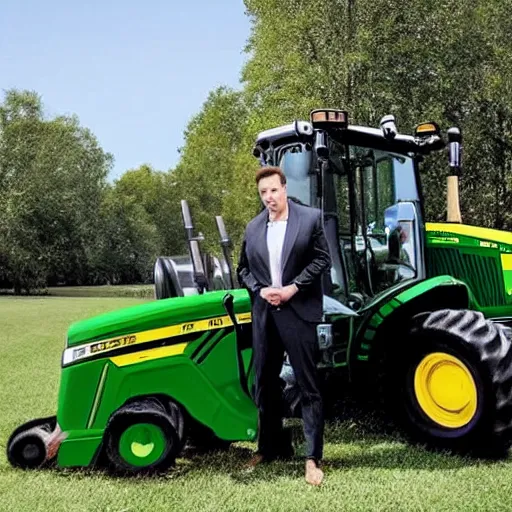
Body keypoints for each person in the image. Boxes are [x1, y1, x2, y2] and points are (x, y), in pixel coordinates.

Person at [237, 166, 331, 486]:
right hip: (266, 315)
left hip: (297, 312)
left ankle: (312, 458)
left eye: (273, 191)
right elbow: (243, 271)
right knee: (263, 383)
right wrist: (260, 290)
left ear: (284, 188)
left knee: (308, 386)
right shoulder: (252, 229)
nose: (269, 198)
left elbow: (322, 260)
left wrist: (292, 288)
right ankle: (271, 447)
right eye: (263, 193)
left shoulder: (310, 219)